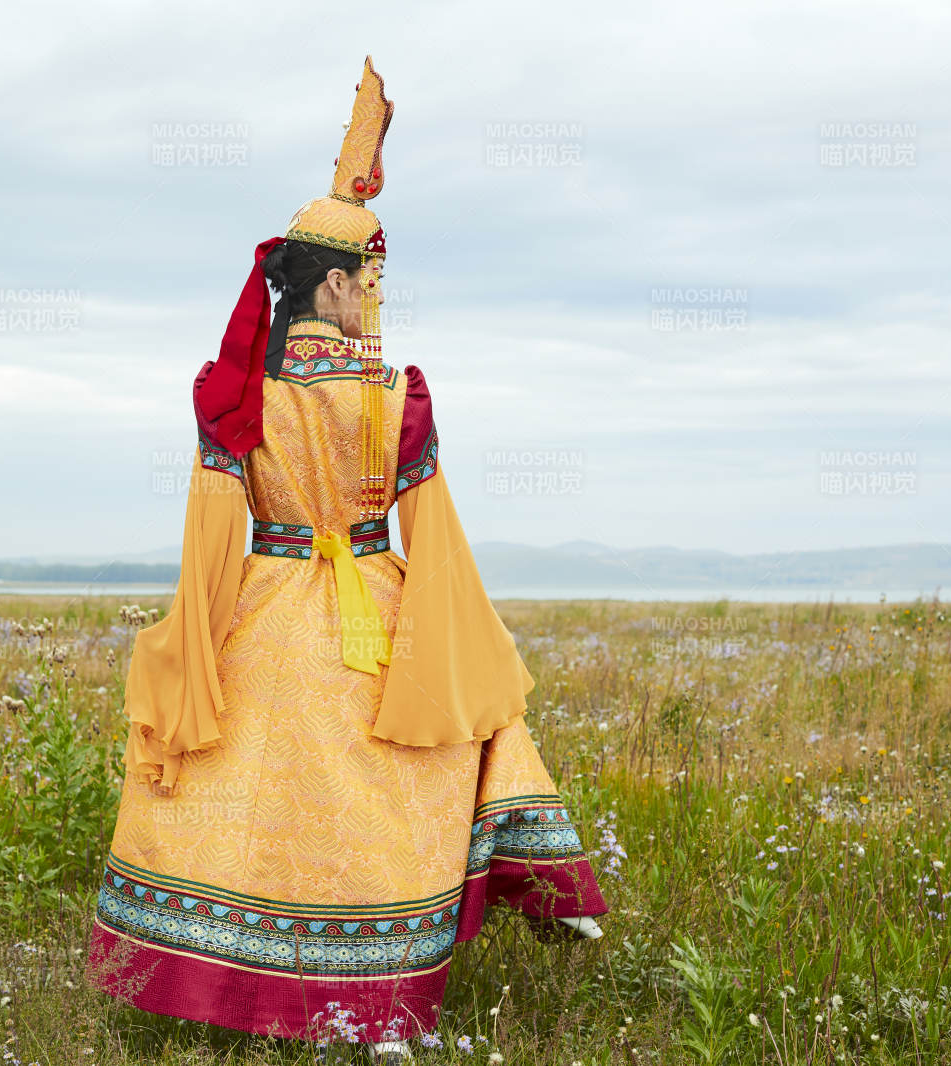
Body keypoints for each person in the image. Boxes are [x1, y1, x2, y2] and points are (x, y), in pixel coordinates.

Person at [86, 57, 607, 1063]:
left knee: (242, 795)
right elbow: (437, 541)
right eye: (372, 281)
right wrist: (462, 646)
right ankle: (379, 994)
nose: (378, 299)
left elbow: (208, 544)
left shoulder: (237, 395)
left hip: (263, 604)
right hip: (373, 596)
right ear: (332, 283)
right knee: (430, 752)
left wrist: (189, 645)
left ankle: (220, 978)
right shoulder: (396, 395)